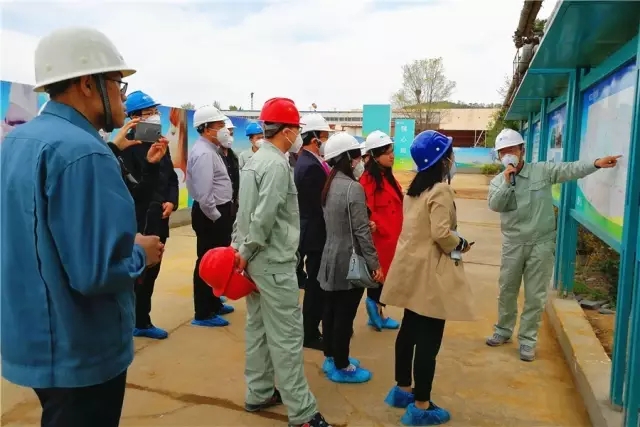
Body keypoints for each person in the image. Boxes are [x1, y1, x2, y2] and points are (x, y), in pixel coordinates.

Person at [0, 27, 164, 427]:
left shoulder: (17, 142)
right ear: (89, 84)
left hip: (32, 336)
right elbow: (96, 273)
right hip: (80, 347)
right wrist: (140, 253)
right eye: (118, 83)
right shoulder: (84, 152)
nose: (122, 96)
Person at [232, 97, 331, 427]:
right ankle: (302, 412)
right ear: (287, 130)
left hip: (256, 263)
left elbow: (243, 214)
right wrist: (246, 251)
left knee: (258, 330)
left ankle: (259, 391)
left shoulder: (255, 161)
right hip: (272, 262)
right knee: (287, 337)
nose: (299, 135)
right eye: (297, 129)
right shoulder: (275, 165)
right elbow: (263, 217)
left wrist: (240, 252)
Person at [486, 128, 621, 361]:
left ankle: (527, 340)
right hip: (513, 244)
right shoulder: (498, 181)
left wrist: (595, 164)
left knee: (535, 295)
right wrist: (507, 183)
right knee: (507, 290)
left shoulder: (542, 171)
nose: (508, 155)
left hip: (541, 244)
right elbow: (495, 205)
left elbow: (569, 169)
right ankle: (503, 330)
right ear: (498, 156)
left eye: (512, 150)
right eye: (503, 152)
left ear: (522, 150)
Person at [381, 130, 475, 426]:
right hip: (432, 275)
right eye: (450, 154)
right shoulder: (440, 191)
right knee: (428, 341)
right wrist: (461, 244)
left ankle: (402, 389)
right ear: (442, 160)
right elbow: (441, 234)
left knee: (409, 330)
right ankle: (421, 405)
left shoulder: (415, 190)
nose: (453, 159)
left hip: (411, 270)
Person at [318, 132, 383, 384]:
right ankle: (343, 365)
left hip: (330, 255)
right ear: (347, 158)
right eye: (357, 156)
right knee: (344, 315)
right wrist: (374, 264)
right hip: (350, 261)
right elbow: (361, 232)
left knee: (331, 311)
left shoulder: (330, 183)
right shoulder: (353, 188)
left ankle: (331, 357)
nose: (360, 161)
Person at [118, 90, 179, 340]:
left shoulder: (160, 142)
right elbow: (134, 189)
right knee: (135, 275)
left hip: (160, 220)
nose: (155, 116)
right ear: (134, 118)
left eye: (155, 112)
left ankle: (142, 320)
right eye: (148, 113)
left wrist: (171, 201)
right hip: (138, 222)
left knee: (152, 273)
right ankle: (129, 322)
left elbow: (172, 178)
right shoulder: (127, 149)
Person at [186, 105, 235, 328]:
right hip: (211, 215)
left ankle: (213, 302)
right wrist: (216, 217)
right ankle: (203, 312)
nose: (224, 129)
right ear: (206, 129)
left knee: (217, 262)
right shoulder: (205, 153)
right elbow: (204, 194)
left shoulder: (209, 149)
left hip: (215, 213)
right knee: (206, 262)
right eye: (219, 125)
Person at [294, 113, 331, 351]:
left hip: (314, 231)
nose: (327, 141)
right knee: (316, 286)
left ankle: (311, 329)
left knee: (316, 283)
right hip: (316, 234)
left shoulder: (310, 161)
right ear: (315, 138)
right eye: (325, 136)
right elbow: (318, 205)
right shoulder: (309, 166)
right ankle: (309, 333)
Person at [359, 130, 402, 331]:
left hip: (392, 237)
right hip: (380, 239)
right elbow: (367, 210)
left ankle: (377, 312)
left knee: (386, 278)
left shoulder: (388, 177)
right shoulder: (368, 180)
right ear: (375, 156)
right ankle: (375, 311)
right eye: (387, 152)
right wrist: (379, 227)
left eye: (392, 151)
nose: (392, 156)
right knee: (379, 277)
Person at [221, 116, 240, 214]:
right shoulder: (213, 156)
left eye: (231, 134)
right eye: (226, 134)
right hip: (218, 208)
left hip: (231, 207)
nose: (230, 137)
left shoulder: (234, 157)